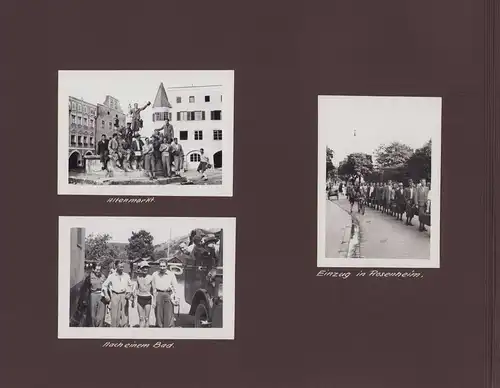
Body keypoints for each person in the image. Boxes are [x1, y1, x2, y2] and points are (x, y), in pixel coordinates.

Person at [102, 261, 133, 328]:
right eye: (120, 267)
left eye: (122, 267)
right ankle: (114, 331)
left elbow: (130, 285)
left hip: (124, 296)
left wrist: (129, 293)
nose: (122, 268)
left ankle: (124, 330)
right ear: (116, 267)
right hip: (115, 295)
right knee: (114, 315)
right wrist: (106, 295)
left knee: (124, 315)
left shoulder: (126, 276)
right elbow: (104, 285)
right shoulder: (112, 276)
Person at [152, 259, 180, 328]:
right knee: (158, 314)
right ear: (158, 266)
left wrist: (176, 298)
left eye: (164, 266)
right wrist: (154, 300)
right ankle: (160, 328)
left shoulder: (171, 274)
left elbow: (175, 286)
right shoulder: (155, 274)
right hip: (158, 294)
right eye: (160, 266)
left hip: (168, 294)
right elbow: (153, 288)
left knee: (168, 313)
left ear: (167, 266)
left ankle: (168, 329)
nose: (162, 268)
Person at [133, 261, 154, 328]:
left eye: (146, 268)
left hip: (147, 299)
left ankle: (146, 336)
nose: (145, 269)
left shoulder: (151, 277)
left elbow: (154, 290)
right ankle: (140, 335)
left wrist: (155, 301)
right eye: (143, 268)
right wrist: (133, 299)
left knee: (147, 318)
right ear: (141, 269)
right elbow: (136, 288)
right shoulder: (138, 277)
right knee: (141, 318)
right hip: (140, 299)